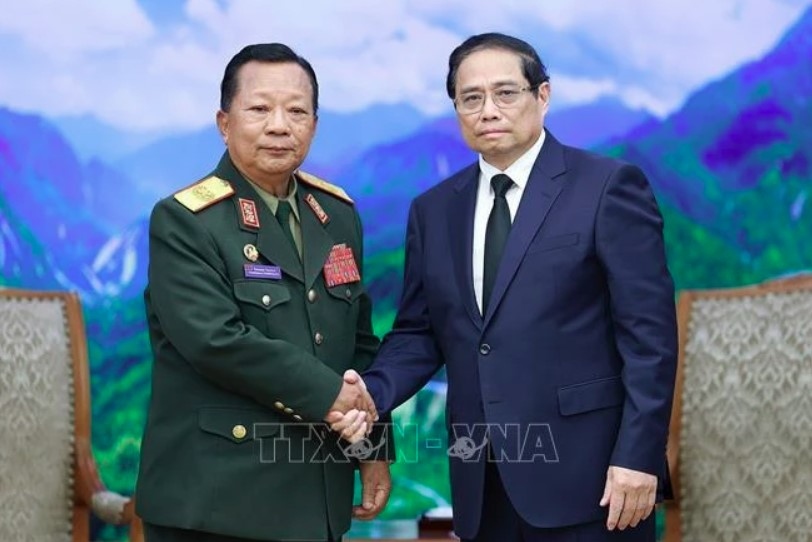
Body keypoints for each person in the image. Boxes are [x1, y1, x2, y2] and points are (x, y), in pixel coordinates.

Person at [330, 33, 678, 542]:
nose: (487, 110)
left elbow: (650, 338)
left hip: (596, 482)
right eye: (471, 98)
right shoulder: (433, 210)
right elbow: (419, 333)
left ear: (543, 95)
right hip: (482, 482)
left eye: (505, 92)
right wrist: (371, 395)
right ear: (456, 109)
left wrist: (638, 457)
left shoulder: (607, 186)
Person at [135, 43, 393, 542]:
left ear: (314, 124)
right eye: (259, 109)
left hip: (314, 499)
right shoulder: (184, 220)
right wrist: (331, 396)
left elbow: (358, 345)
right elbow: (216, 341)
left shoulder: (336, 215)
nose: (280, 125)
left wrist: (371, 451)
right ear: (224, 122)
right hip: (216, 502)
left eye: (297, 111)